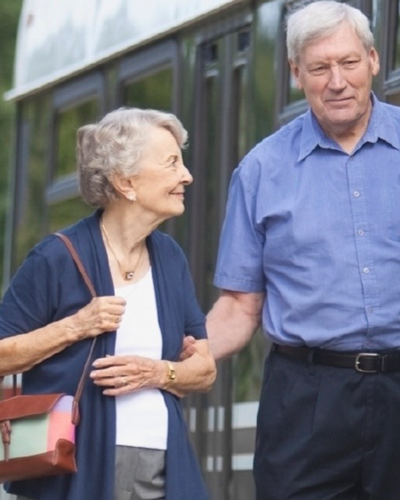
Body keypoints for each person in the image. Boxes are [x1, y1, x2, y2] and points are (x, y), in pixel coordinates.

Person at [199, 1, 400, 498]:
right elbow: (240, 306)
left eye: (349, 63)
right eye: (319, 67)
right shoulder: (261, 171)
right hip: (306, 401)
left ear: (373, 60)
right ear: (295, 74)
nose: (337, 81)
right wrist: (169, 360)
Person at [0, 107, 216, 500]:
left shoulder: (170, 257)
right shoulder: (56, 258)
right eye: (171, 164)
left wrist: (159, 372)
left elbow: (204, 370)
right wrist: (76, 325)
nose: (186, 176)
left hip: (159, 462)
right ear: (125, 182)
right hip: (74, 464)